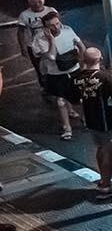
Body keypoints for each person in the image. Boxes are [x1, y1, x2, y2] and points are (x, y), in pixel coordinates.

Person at [73, 47, 112, 199]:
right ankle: (106, 186)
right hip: (106, 121)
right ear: (100, 59)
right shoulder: (105, 77)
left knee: (100, 149)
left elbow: (74, 97)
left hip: (90, 120)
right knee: (109, 151)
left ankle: (104, 178)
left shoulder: (77, 77)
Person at [32, 10, 82, 139]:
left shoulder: (67, 30)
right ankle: (67, 128)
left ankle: (85, 119)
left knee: (81, 97)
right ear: (45, 27)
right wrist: (51, 40)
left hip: (74, 69)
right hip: (56, 73)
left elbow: (80, 44)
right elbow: (51, 56)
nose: (56, 27)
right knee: (61, 101)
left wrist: (84, 62)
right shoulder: (39, 38)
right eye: (52, 26)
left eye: (57, 23)